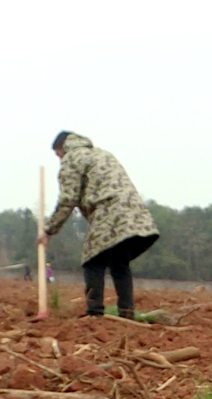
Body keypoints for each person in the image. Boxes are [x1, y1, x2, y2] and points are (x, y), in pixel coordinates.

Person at [38, 131, 160, 319]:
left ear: (62, 148)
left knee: (92, 260)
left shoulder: (72, 158)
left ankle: (95, 314)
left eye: (58, 155)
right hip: (134, 214)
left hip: (109, 211)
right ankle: (127, 313)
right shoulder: (102, 154)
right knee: (119, 262)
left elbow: (68, 199)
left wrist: (48, 230)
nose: (59, 159)